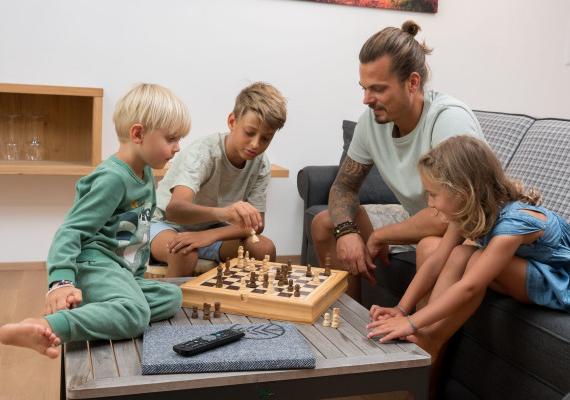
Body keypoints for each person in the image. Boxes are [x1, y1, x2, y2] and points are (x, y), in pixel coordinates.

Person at [0, 83, 191, 357]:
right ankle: (44, 326)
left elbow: (135, 231)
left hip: (118, 271)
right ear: (138, 133)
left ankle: (98, 305)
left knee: (171, 298)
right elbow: (70, 230)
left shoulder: (146, 172)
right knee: (136, 314)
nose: (177, 148)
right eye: (171, 139)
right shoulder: (112, 179)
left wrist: (132, 277)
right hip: (94, 263)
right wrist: (61, 282)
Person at [367, 135, 570, 374]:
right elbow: (436, 262)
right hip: (523, 272)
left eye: (433, 194)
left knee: (473, 258)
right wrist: (402, 309)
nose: (430, 203)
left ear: (463, 192)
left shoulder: (514, 224)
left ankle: (432, 339)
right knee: (460, 252)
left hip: (559, 282)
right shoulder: (468, 210)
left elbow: (470, 287)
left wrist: (411, 323)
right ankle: (428, 336)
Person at [311, 20, 483, 299]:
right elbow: (343, 187)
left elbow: (451, 216)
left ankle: (416, 340)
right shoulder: (371, 122)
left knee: (430, 245)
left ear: (412, 82)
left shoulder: (448, 119)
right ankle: (347, 327)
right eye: (363, 88)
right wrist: (346, 231)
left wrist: (380, 235)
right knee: (324, 223)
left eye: (378, 89)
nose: (366, 99)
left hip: (466, 230)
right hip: (421, 217)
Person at [150, 82, 287, 277]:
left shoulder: (261, 164)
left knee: (263, 249)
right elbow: (175, 210)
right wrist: (223, 214)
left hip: (211, 230)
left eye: (266, 138)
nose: (256, 144)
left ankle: (241, 305)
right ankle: (175, 306)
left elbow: (257, 225)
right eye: (249, 133)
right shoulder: (202, 153)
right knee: (184, 251)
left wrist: (209, 235)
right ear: (232, 122)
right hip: (165, 223)